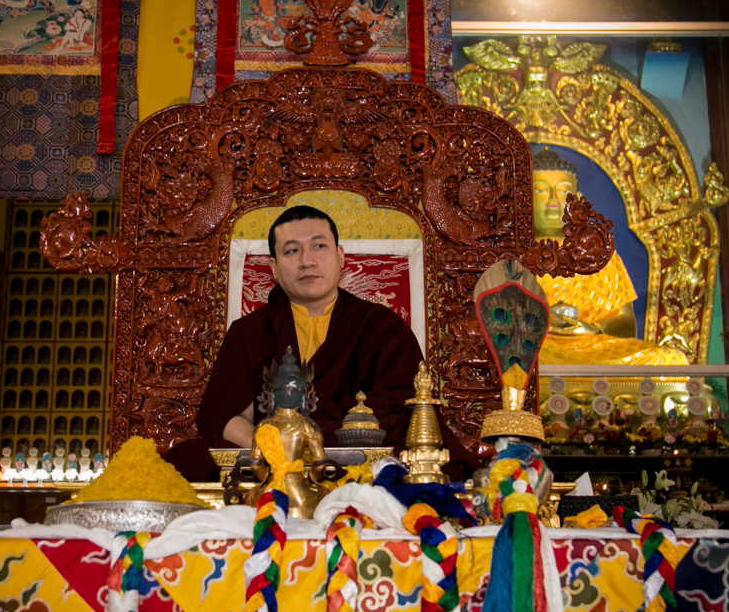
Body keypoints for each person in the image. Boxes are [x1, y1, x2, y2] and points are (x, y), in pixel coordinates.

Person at [164, 205, 474, 480]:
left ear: (340, 257)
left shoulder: (381, 325)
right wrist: (274, 449)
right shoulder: (249, 332)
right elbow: (225, 418)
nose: (307, 261)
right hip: (270, 458)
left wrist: (318, 437)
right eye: (292, 251)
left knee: (431, 444)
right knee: (186, 460)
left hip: (363, 451)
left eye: (319, 246)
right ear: (273, 267)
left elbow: (402, 410)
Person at [531, 146, 688, 365]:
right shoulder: (509, 254)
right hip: (535, 348)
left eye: (562, 190)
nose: (553, 199)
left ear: (577, 200)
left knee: (668, 360)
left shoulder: (599, 254)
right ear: (524, 200)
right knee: (504, 359)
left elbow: (625, 324)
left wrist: (593, 328)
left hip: (590, 348)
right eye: (540, 190)